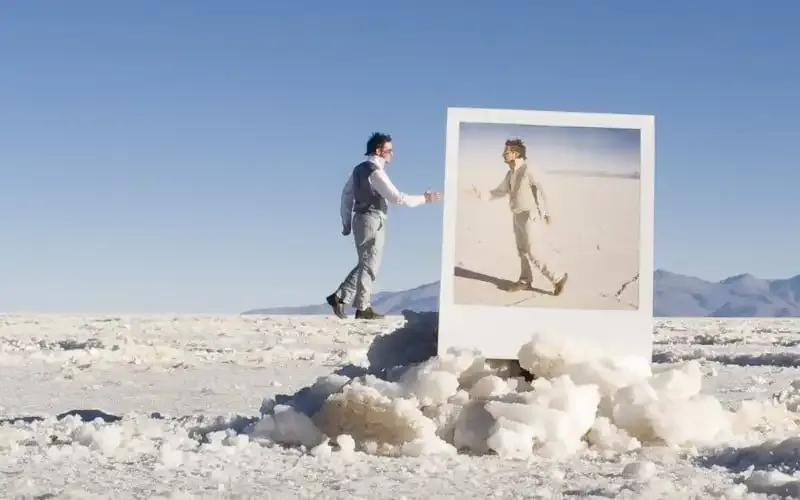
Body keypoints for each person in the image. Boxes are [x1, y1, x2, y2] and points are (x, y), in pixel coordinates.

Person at [326, 132, 441, 320]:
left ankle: (341, 297)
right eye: (389, 150)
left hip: (360, 219)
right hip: (372, 219)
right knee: (371, 263)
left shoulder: (358, 170)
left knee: (366, 262)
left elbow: (346, 196)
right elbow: (397, 197)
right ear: (379, 150)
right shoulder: (375, 172)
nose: (392, 155)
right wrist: (425, 198)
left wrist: (346, 221)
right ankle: (361, 307)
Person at [469, 138, 568, 295]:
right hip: (517, 216)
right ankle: (525, 280)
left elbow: (545, 189)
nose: (503, 154)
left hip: (531, 216)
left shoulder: (528, 170)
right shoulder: (510, 174)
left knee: (533, 251)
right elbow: (498, 192)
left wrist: (548, 212)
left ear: (515, 154)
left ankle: (558, 278)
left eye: (506, 152)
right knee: (521, 250)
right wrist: (479, 193)